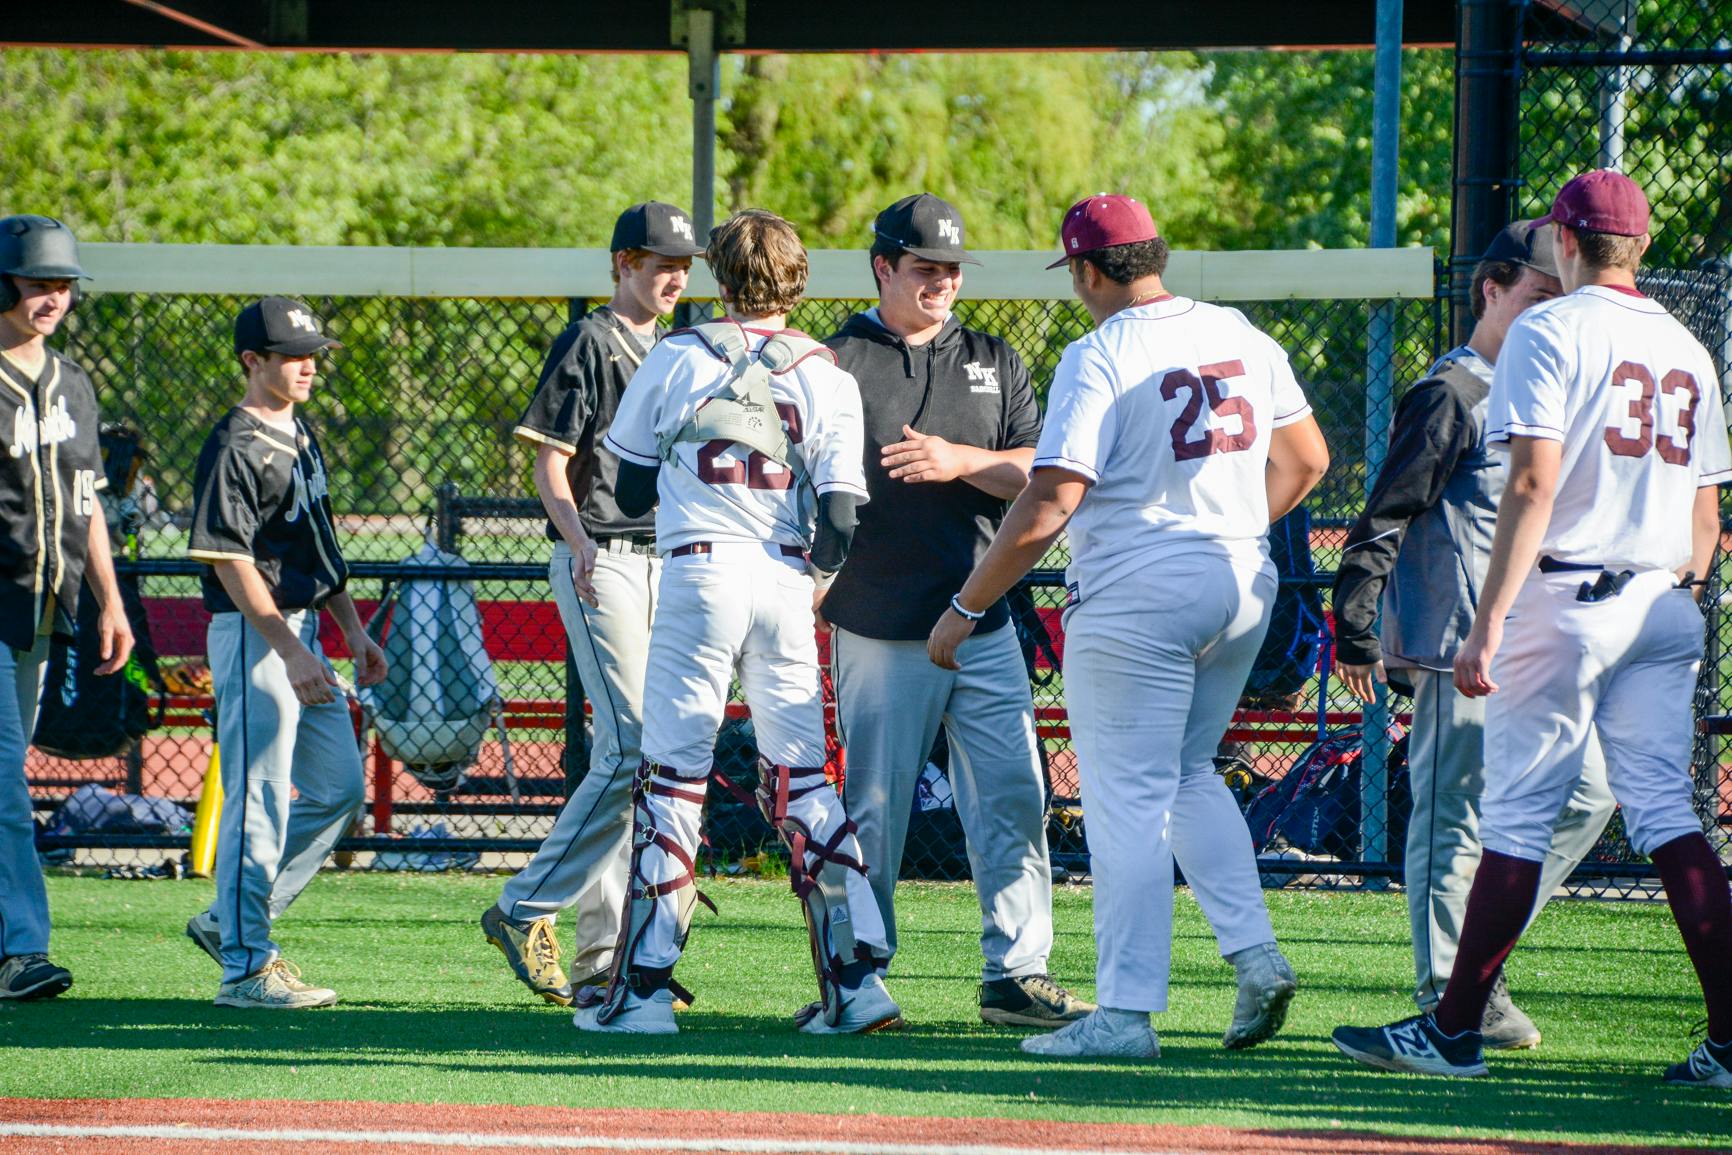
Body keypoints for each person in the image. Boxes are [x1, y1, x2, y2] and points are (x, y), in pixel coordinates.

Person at [1333, 169, 1732, 1087]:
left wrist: (1489, 624)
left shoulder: (1548, 329)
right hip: (1664, 600)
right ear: (1643, 244)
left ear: (1566, 238)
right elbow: (1707, 514)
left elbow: (1532, 482)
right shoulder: (1687, 346)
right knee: (1668, 814)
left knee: (1512, 815)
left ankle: (1452, 1031)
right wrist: (1673, 590)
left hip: (1567, 598)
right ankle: (1728, 1040)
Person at [929, 194, 1330, 1058]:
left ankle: (1125, 1013)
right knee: (1189, 775)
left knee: (1126, 804)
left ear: (1084, 270)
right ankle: (1255, 955)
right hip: (1240, 579)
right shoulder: (1240, 332)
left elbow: (1053, 497)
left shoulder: (1099, 351)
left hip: (1140, 592)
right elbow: (1308, 460)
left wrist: (967, 604)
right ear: (1156, 256)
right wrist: (1224, 528)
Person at [576, 208, 898, 1036]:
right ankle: (857, 983)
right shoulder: (826, 373)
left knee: (673, 777)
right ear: (798, 280)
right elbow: (842, 518)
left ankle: (643, 992)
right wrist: (811, 578)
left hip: (698, 570)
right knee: (805, 781)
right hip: (785, 578)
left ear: (721, 278)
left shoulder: (678, 354)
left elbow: (630, 487)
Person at [1332, 219, 1616, 1048]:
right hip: (1456, 642)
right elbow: (1387, 509)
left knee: (1592, 791)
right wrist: (1355, 620)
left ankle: (1473, 967)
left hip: (1540, 638)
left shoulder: (1552, 388)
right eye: (1538, 295)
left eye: (1563, 299)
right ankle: (1450, 994)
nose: (1552, 312)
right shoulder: (1453, 391)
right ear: (1490, 290)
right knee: (1450, 816)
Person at [820, 193, 1092, 1028]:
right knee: (873, 809)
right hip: (878, 620)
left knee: (1013, 795)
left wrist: (959, 459)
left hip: (983, 615)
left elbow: (1043, 472)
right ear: (883, 267)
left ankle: (1017, 973)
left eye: (951, 269)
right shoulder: (835, 359)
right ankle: (859, 975)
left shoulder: (994, 357)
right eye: (924, 268)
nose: (941, 282)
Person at [481, 202, 705, 1007]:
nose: (674, 276)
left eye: (682, 264)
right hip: (601, 556)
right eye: (659, 262)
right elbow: (550, 463)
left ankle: (602, 959)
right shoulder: (590, 340)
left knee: (645, 761)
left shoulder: (678, 348)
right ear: (622, 264)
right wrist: (576, 540)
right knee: (632, 745)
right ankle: (522, 906)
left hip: (667, 559)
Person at [182, 297, 388, 1009]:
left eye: (313, 355)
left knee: (336, 788)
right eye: (293, 356)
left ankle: (230, 921)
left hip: (301, 634)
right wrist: (289, 648)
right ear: (253, 361)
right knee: (259, 798)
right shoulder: (234, 443)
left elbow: (319, 547)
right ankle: (245, 968)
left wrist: (352, 631)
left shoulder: (300, 432)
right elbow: (228, 560)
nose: (308, 367)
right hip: (256, 634)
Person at [0, 214, 133, 1001]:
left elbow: (89, 504)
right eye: (37, 282)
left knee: (4, 777)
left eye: (64, 284)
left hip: (45, 610)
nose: (54, 297)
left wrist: (110, 601)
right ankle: (22, 948)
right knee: (5, 786)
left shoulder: (73, 382)